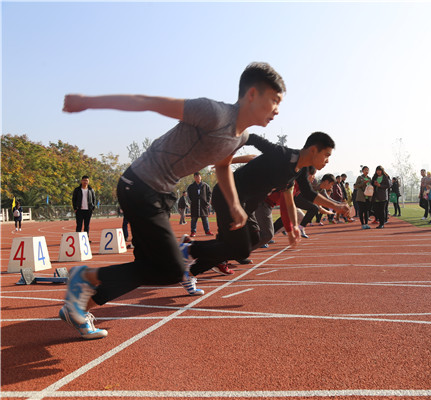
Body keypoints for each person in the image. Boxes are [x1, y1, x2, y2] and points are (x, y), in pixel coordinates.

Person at [58, 61, 286, 339]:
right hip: (139, 184)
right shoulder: (213, 113)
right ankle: (83, 277)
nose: (277, 109)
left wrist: (235, 204)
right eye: (274, 100)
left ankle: (78, 307)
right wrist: (88, 102)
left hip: (162, 193)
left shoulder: (241, 136)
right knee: (170, 269)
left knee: (149, 268)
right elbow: (149, 102)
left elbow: (223, 166)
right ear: (252, 94)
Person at [186, 132, 349, 278]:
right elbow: (251, 138)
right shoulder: (282, 154)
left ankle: (190, 270)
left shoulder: (300, 171)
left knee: (251, 240)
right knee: (240, 248)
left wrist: (294, 227)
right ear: (313, 150)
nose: (327, 161)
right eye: (326, 155)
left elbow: (302, 196)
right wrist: (225, 158)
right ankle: (188, 250)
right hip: (228, 195)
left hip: (246, 206)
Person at [187, 172, 213, 236]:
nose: (197, 178)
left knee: (205, 219)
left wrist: (207, 202)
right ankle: (193, 231)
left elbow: (209, 194)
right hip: (194, 205)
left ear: (201, 177)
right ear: (194, 178)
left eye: (198, 176)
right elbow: (188, 196)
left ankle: (207, 231)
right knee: (194, 219)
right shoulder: (191, 187)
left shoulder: (205, 185)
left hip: (203, 206)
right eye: (196, 177)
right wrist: (191, 202)